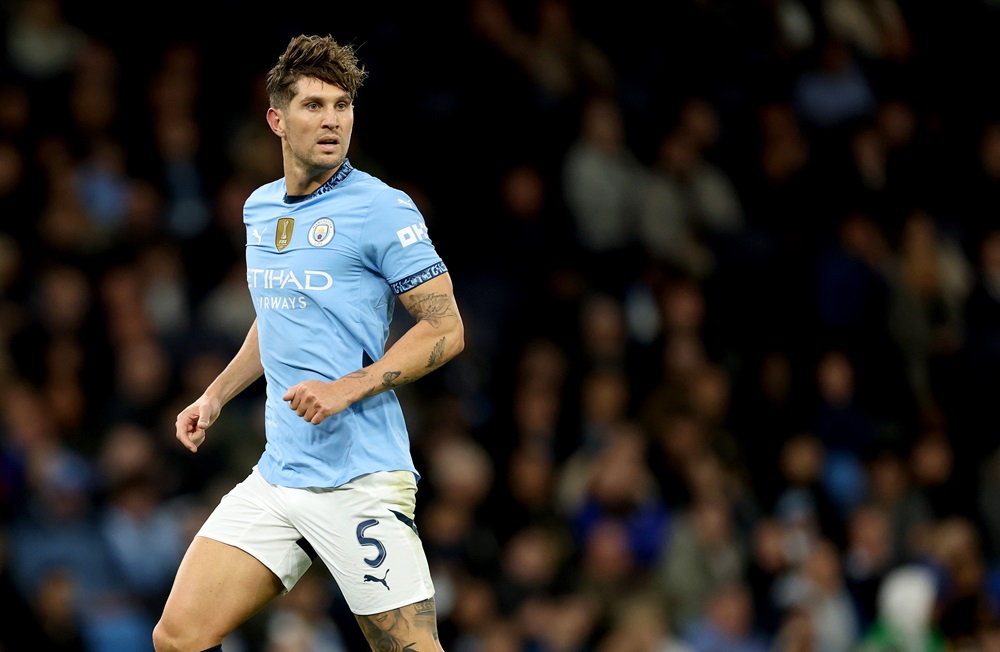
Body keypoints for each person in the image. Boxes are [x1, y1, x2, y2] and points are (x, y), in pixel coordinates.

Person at [152, 34, 465, 652]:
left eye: (342, 106)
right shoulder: (259, 209)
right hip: (279, 478)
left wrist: (347, 387)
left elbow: (446, 327)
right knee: (178, 638)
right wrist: (214, 396)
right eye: (314, 105)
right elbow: (279, 313)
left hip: (360, 477)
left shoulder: (382, 209)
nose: (331, 120)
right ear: (277, 119)